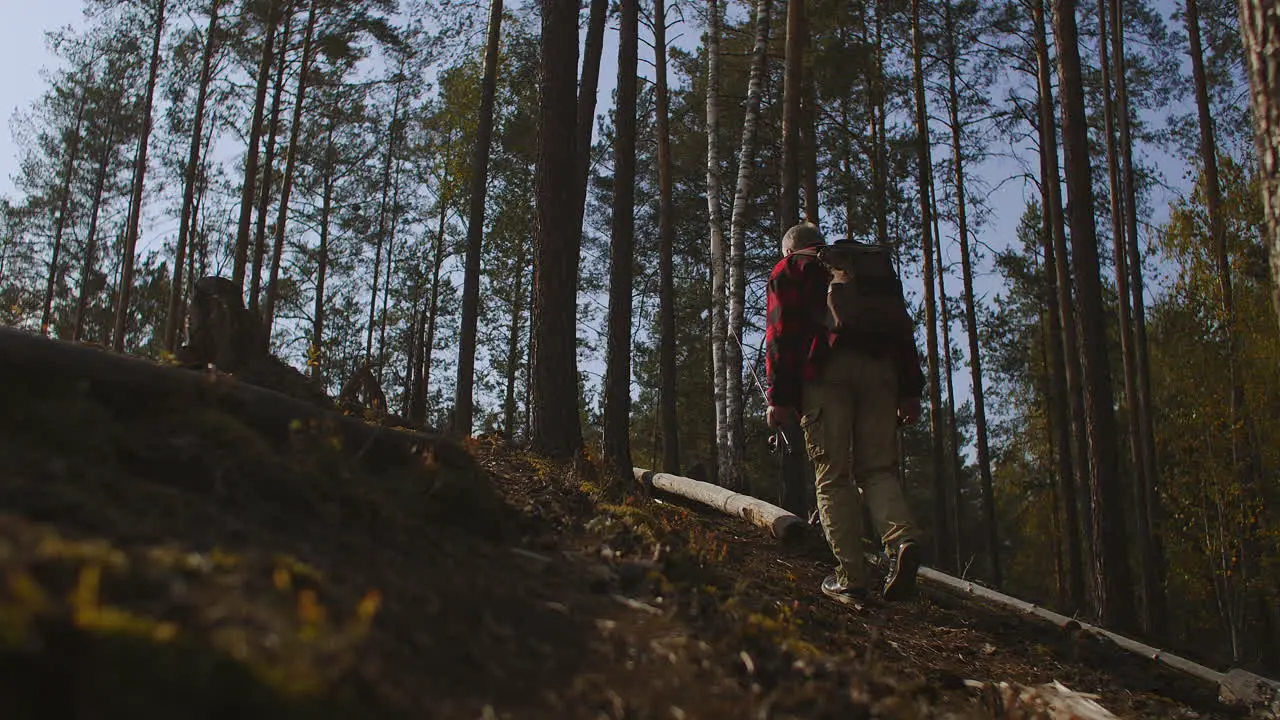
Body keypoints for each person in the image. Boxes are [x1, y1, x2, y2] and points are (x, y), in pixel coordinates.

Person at [764, 222, 926, 607]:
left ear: (791, 250)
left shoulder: (790, 270)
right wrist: (910, 390)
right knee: (878, 470)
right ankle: (902, 541)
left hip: (825, 373)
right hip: (882, 371)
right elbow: (903, 329)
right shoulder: (864, 269)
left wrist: (778, 397)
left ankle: (851, 578)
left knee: (833, 475)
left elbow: (780, 333)